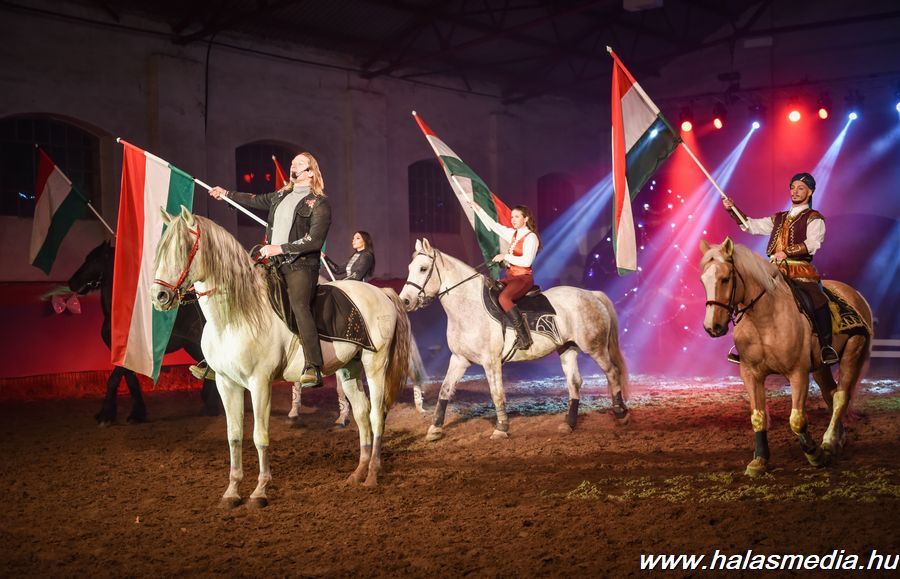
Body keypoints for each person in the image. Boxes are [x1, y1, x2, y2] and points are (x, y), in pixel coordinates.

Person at [209, 152, 332, 386]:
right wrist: (226, 194)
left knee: (299, 305)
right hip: (273, 263)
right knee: (239, 288)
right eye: (292, 161)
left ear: (310, 172)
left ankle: (313, 366)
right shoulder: (280, 195)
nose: (292, 164)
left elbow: (314, 241)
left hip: (301, 266)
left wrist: (279, 248)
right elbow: (253, 199)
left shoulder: (319, 203)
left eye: (299, 163)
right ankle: (220, 356)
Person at [722, 172, 839, 366]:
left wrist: (788, 251)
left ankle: (826, 346)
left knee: (817, 299)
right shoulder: (779, 218)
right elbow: (752, 225)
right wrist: (732, 209)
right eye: (792, 187)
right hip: (773, 270)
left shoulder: (814, 218)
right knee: (748, 293)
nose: (795, 191)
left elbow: (814, 242)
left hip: (799, 269)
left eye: (800, 188)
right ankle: (743, 344)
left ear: (810, 192)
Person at [467, 200, 540, 349]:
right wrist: (478, 209)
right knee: (490, 291)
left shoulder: (531, 237)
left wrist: (504, 256)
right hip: (510, 277)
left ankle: (524, 336)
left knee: (504, 298)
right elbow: (494, 226)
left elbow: (526, 261)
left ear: (525, 219)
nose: (513, 220)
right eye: (512, 217)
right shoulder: (513, 234)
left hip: (523, 278)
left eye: (517, 217)